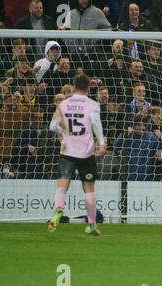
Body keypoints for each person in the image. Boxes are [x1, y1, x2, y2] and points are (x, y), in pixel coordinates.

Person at [48, 74, 107, 236]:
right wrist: (101, 142)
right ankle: (92, 223)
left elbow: (52, 126)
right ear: (88, 88)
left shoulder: (64, 104)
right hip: (86, 153)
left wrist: (63, 134)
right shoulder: (93, 104)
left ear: (73, 88)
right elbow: (96, 124)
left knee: (63, 184)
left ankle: (58, 209)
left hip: (67, 151)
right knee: (88, 188)